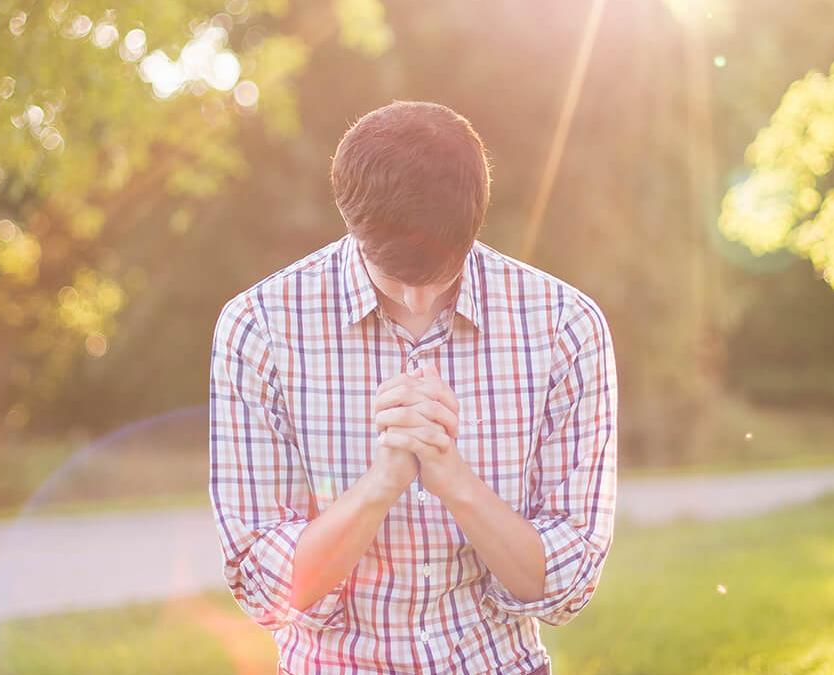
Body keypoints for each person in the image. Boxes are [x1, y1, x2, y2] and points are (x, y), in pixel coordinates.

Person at [208, 100, 618, 674]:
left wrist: (454, 482)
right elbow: (265, 589)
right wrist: (381, 485)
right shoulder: (260, 328)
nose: (420, 303)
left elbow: (565, 587)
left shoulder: (564, 326)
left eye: (443, 275)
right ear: (352, 222)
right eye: (395, 279)